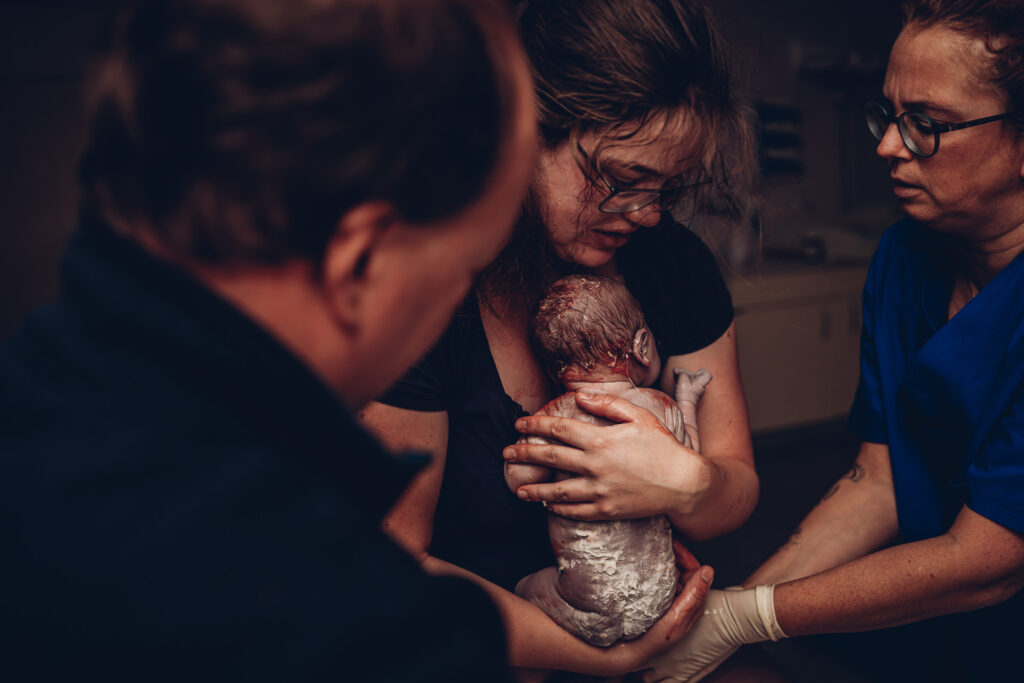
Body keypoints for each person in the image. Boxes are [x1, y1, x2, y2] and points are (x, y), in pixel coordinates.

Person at [0, 0, 544, 679]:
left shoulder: (29, 404)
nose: (459, 297)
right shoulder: (360, 633)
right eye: (467, 267)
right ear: (362, 264)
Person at [359, 0, 759, 676]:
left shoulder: (675, 264)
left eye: (669, 188)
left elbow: (738, 488)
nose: (647, 214)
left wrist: (688, 484)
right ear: (524, 130)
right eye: (622, 180)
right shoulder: (433, 283)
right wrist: (598, 658)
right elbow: (394, 564)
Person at [641, 1, 1024, 681]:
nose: (886, 147)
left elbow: (988, 560)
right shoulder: (906, 257)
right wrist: (730, 609)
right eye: (889, 116)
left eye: (927, 126)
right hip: (939, 625)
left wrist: (750, 617)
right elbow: (877, 480)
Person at [506, 274, 713, 648]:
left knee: (524, 585)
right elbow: (691, 461)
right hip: (657, 596)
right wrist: (686, 401)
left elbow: (519, 479)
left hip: (584, 597)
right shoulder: (659, 407)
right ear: (642, 346)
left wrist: (519, 448)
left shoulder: (555, 417)